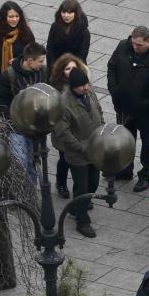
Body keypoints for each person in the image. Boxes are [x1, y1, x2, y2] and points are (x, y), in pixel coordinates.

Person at [107, 26, 149, 191]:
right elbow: (112, 67)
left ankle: (145, 174)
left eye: (139, 45)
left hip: (147, 112)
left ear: (148, 41)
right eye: (133, 43)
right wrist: (114, 90)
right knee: (125, 139)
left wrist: (147, 103)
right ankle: (125, 169)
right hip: (123, 107)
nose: (135, 47)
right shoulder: (123, 46)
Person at [50, 68, 102, 239]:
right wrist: (80, 147)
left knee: (94, 183)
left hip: (95, 149)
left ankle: (75, 207)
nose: (85, 88)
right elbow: (63, 131)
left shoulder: (90, 91)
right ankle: (82, 221)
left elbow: (98, 110)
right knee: (82, 186)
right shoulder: (64, 103)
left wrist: (102, 127)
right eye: (81, 86)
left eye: (86, 84)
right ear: (73, 87)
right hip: (78, 154)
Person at [0, 41, 48, 183]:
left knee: (33, 161)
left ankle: (31, 193)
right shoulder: (9, 75)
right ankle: (21, 192)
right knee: (20, 162)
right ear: (29, 60)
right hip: (17, 128)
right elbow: (1, 102)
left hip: (36, 129)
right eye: (40, 61)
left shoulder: (43, 71)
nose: (42, 64)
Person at [0, 1, 34, 113]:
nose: (14, 19)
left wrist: (18, 60)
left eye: (17, 16)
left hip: (18, 83)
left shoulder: (25, 32)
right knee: (0, 113)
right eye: (11, 16)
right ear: (4, 17)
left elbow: (32, 54)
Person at [49, 53, 88, 199]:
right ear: (61, 71)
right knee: (65, 159)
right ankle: (61, 183)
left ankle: (82, 193)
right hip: (64, 132)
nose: (71, 71)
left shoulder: (81, 84)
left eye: (73, 68)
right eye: (67, 69)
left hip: (80, 131)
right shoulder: (57, 88)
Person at [45, 0, 89, 71]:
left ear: (76, 13)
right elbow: (50, 49)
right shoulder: (55, 27)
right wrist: (53, 67)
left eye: (69, 13)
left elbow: (82, 55)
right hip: (55, 67)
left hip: (75, 68)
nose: (66, 15)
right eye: (63, 12)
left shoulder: (84, 32)